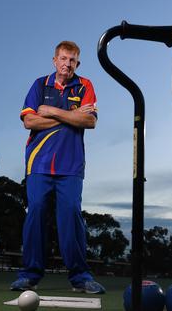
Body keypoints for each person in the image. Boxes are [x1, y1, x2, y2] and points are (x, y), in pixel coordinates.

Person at [10, 41, 105, 294]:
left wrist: (51, 111)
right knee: (37, 211)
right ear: (55, 60)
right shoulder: (40, 84)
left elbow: (89, 121)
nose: (67, 64)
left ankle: (80, 277)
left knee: (71, 215)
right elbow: (29, 120)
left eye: (72, 60)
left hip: (70, 165)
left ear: (78, 63)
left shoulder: (85, 85)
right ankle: (29, 275)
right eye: (63, 59)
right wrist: (71, 117)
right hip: (38, 163)